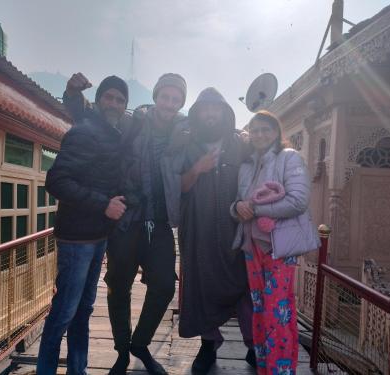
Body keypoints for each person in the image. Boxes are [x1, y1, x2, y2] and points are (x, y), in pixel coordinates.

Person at [63, 73, 188, 375]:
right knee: (118, 286)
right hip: (126, 220)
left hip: (159, 223)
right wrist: (72, 94)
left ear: (181, 103)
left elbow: (217, 135)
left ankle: (140, 344)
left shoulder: (185, 132)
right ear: (156, 96)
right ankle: (121, 351)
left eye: (176, 99)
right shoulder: (134, 123)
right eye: (165, 96)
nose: (169, 103)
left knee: (163, 286)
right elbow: (92, 116)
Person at [36, 76, 130, 375]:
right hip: (77, 240)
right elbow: (56, 181)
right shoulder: (84, 132)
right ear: (99, 100)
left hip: (98, 236)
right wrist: (103, 204)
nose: (114, 103)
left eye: (120, 99)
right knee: (64, 313)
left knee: (82, 313)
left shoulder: (108, 132)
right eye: (109, 97)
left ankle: (78, 370)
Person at [177, 87, 255, 374]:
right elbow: (178, 187)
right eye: (205, 109)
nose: (210, 114)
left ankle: (252, 344)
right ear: (197, 114)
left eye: (215, 108)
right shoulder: (188, 145)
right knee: (201, 287)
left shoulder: (241, 143)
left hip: (237, 229)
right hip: (199, 230)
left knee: (245, 287)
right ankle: (209, 344)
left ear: (224, 112)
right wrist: (197, 168)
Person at [230, 110, 312, 375]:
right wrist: (237, 207)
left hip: (279, 245)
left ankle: (280, 369)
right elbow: (239, 203)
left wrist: (256, 210)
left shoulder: (289, 158)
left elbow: (298, 201)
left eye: (265, 129)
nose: (259, 135)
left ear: (277, 132)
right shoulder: (246, 166)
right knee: (261, 308)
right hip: (252, 246)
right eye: (255, 130)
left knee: (279, 310)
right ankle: (266, 365)